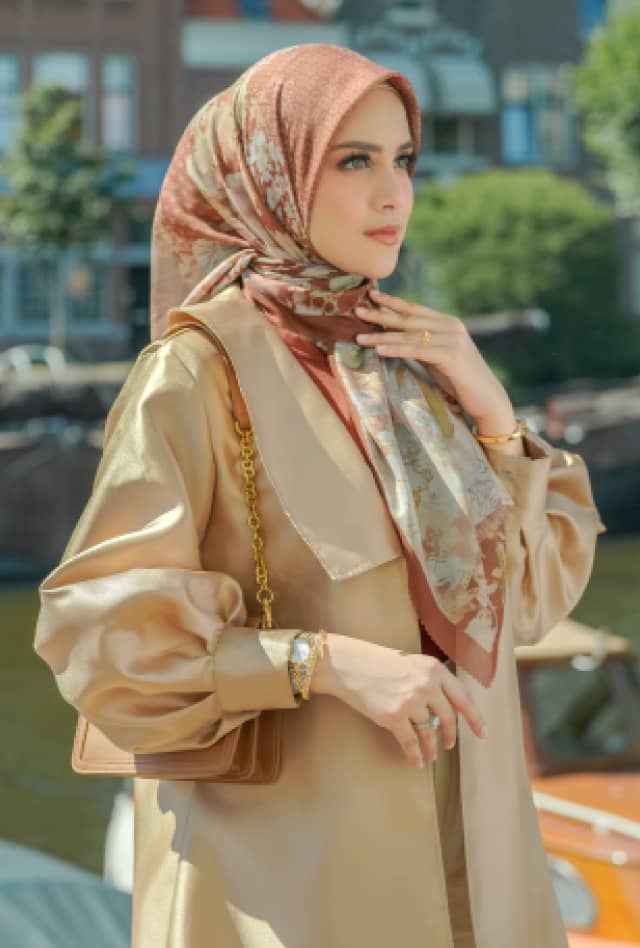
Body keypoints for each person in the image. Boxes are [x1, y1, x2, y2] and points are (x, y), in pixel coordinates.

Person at [33, 44, 605, 948]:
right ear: (272, 175)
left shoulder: (413, 368)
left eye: (403, 160)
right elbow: (103, 643)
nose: (393, 194)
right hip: (295, 891)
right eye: (353, 161)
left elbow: (527, 606)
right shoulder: (197, 373)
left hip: (483, 881)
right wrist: (323, 663)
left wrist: (495, 416)